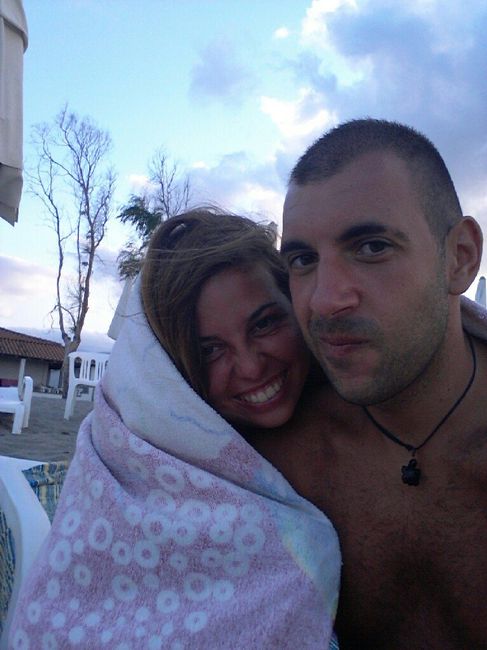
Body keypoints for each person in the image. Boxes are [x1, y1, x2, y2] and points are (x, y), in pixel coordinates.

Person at [9, 209, 341, 649]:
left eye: (264, 324)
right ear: (172, 371)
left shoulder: (357, 428)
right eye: (210, 351)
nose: (250, 366)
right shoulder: (140, 446)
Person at [257, 119, 487, 648]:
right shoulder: (276, 466)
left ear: (460, 257)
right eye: (302, 260)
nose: (324, 300)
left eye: (372, 247)